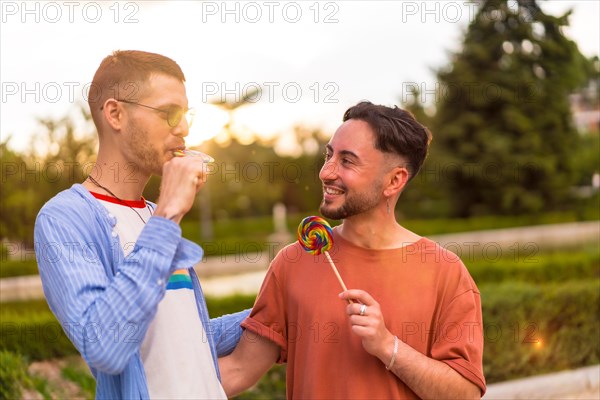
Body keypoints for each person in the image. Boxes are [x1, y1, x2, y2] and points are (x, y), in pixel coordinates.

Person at [219, 101, 486, 399]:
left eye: (347, 161)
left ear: (394, 180)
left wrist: (387, 346)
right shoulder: (293, 261)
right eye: (329, 155)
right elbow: (238, 370)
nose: (326, 172)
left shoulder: (445, 272)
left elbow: (465, 394)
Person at [34, 50, 248, 399]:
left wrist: (272, 310)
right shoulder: (64, 219)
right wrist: (169, 215)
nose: (185, 128)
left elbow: (181, 335)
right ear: (116, 114)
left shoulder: (153, 213)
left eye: (185, 114)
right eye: (170, 113)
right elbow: (105, 346)